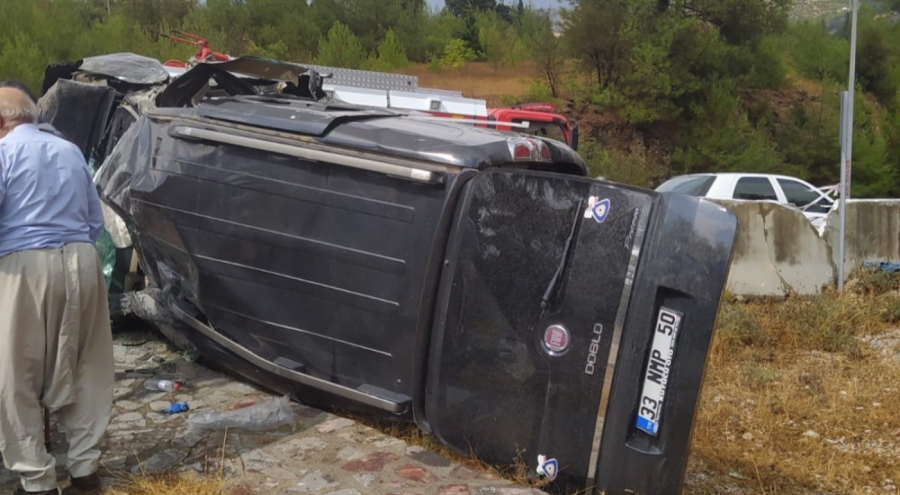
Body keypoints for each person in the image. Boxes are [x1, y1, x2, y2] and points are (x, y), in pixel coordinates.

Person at [0, 87, 113, 495]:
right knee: (86, 366)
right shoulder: (69, 152)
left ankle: (36, 479)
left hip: (23, 262)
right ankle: (85, 470)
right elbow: (95, 222)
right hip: (82, 260)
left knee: (16, 375)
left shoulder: (3, 153)